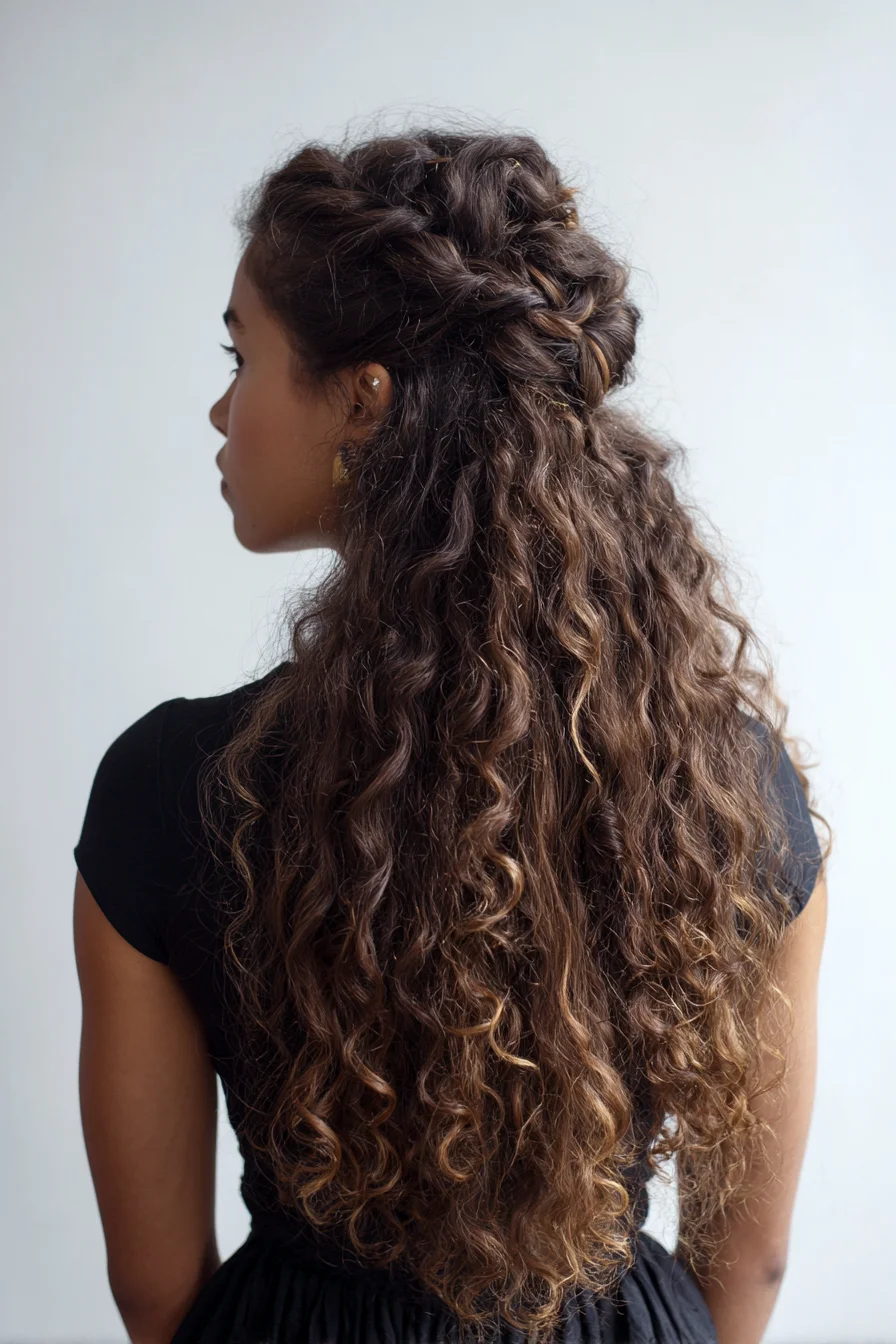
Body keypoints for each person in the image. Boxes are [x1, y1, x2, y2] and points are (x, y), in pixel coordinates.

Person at [72, 124, 829, 1344]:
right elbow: (750, 1265)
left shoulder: (170, 792)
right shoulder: (727, 788)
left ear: (361, 399)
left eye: (241, 354)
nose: (221, 408)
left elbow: (154, 1289)